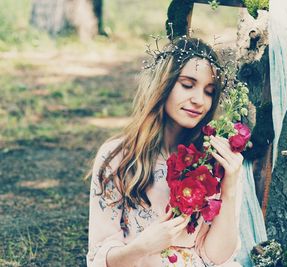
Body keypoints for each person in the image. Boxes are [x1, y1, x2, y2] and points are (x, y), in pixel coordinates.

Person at [86, 37, 243, 267]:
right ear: (164, 85)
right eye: (187, 85)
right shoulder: (118, 157)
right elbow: (100, 258)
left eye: (209, 92)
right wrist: (143, 246)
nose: (199, 100)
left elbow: (216, 258)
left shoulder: (212, 161)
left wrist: (229, 189)